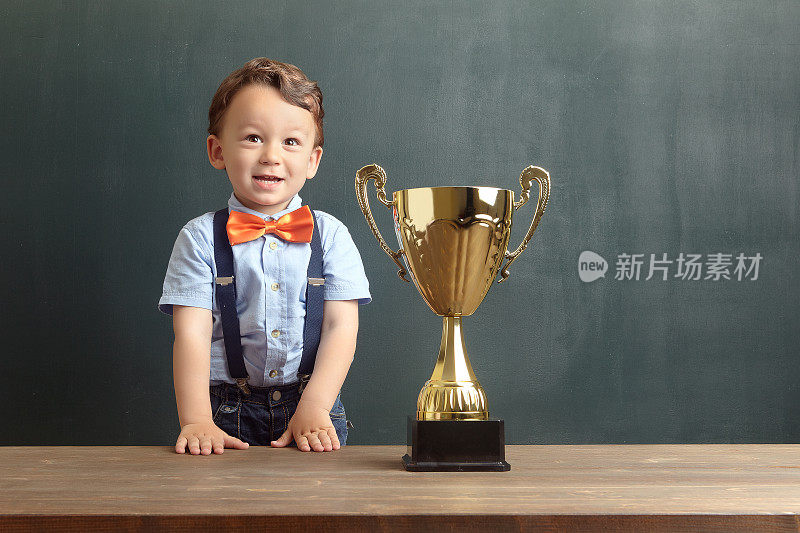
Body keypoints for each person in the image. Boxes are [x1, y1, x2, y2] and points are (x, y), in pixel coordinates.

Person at [158, 58, 370, 455]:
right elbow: (191, 333)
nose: (271, 155)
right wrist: (196, 419)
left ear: (312, 161)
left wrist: (316, 404)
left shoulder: (332, 236)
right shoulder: (199, 238)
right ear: (217, 150)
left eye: (290, 142)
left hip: (312, 408)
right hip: (224, 410)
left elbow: (341, 327)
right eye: (253, 137)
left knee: (318, 510)